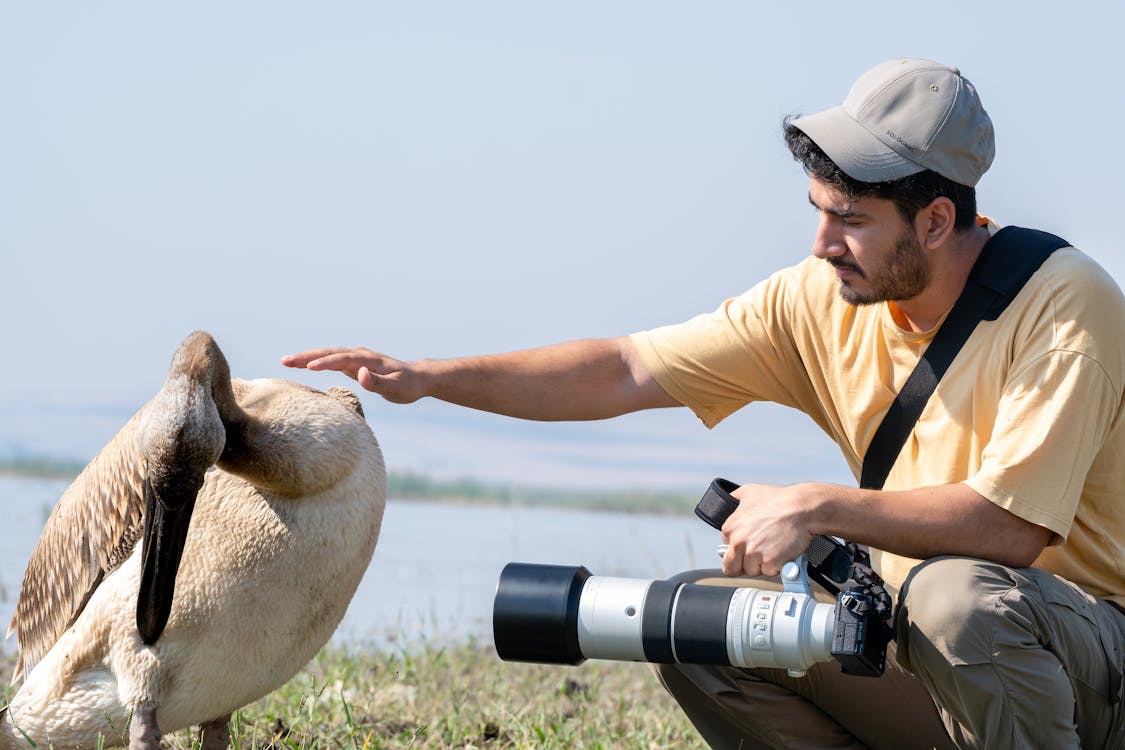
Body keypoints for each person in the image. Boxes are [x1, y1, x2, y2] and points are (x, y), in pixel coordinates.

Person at [283, 58, 1124, 749]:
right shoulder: (819, 299)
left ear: (936, 220)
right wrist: (433, 376)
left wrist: (813, 504)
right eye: (816, 213)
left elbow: (1009, 531)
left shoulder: (1063, 306)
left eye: (850, 221)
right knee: (701, 625)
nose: (820, 244)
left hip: (1082, 666)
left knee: (955, 598)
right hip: (921, 649)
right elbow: (622, 370)